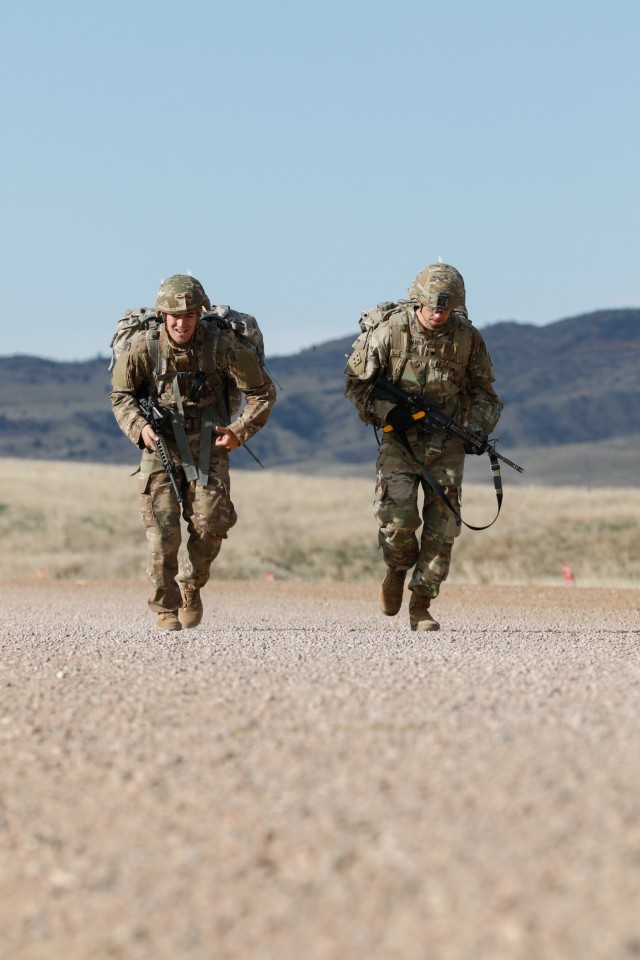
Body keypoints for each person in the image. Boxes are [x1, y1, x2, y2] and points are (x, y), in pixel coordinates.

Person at [110, 274, 276, 632]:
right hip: (162, 445)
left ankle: (190, 585)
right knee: (162, 531)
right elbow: (120, 395)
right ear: (162, 315)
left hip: (209, 442)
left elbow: (263, 393)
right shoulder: (143, 347)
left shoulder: (223, 346)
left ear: (200, 313)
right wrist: (140, 428)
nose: (181, 322)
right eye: (173, 315)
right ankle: (165, 608)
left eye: (188, 315)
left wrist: (238, 431)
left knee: (210, 525)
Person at [344, 263, 503, 631]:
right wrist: (387, 412)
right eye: (431, 306)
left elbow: (486, 395)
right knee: (396, 524)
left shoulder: (468, 339)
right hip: (400, 441)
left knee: (443, 528)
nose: (437, 314)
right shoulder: (389, 334)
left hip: (446, 443)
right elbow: (356, 386)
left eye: (445, 309)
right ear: (417, 301)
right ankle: (397, 568)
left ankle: (421, 605)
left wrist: (477, 430)